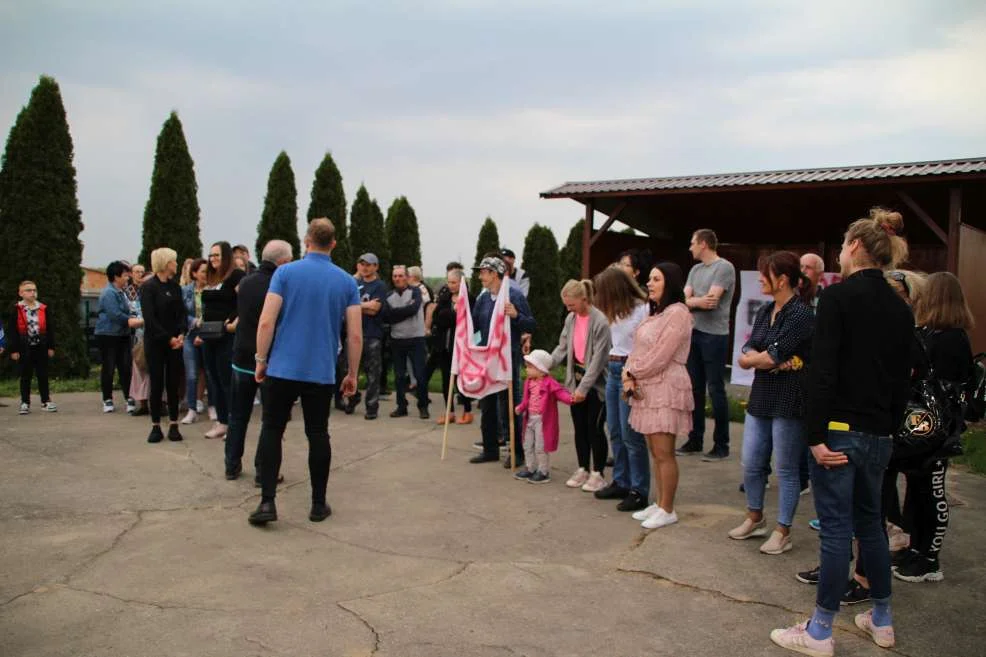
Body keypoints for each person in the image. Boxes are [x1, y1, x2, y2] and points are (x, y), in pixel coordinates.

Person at [770, 208, 911, 656]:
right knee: (870, 526)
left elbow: (822, 373)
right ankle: (882, 621)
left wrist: (814, 436)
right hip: (878, 436)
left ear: (853, 246)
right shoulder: (899, 306)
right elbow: (900, 380)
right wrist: (887, 432)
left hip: (839, 432)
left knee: (835, 531)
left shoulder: (837, 298)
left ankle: (819, 632)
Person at [248, 218, 361, 527]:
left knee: (272, 428)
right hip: (320, 371)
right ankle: (317, 503)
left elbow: (267, 321)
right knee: (317, 432)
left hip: (283, 367)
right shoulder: (346, 282)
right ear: (334, 244)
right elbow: (354, 335)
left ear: (306, 240)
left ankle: (268, 501)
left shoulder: (285, 273)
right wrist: (352, 373)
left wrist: (260, 359)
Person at [728, 252, 815, 555]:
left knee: (787, 468)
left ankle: (783, 530)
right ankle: (755, 517)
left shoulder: (801, 315)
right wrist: (761, 359)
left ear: (783, 280)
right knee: (751, 462)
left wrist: (763, 359)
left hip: (790, 399)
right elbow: (752, 347)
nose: (761, 279)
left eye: (766, 274)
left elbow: (770, 356)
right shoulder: (767, 309)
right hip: (762, 394)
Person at [891, 272, 974, 583]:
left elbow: (947, 388)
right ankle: (914, 547)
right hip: (921, 427)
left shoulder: (953, 339)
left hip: (939, 430)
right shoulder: (930, 333)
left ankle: (930, 558)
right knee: (915, 488)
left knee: (932, 491)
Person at [623, 263, 694, 530]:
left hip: (666, 386)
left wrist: (632, 371)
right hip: (647, 387)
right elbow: (637, 348)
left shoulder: (678, 313)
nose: (649, 283)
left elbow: (661, 356)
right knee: (654, 450)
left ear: (671, 283)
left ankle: (668, 508)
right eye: (650, 278)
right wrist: (629, 374)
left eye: (656, 279)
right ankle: (659, 502)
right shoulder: (655, 313)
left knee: (664, 452)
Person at [223, 240, 294, 481]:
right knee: (270, 420)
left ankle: (231, 465)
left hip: (241, 356)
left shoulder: (246, 282)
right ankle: (264, 471)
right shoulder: (282, 285)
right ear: (283, 262)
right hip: (269, 360)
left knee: (237, 415)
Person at [468, 256, 536, 467]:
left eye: (483, 272)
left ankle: (517, 452)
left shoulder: (513, 295)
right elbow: (475, 325)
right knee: (487, 403)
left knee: (509, 403)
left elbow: (531, 324)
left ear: (494, 274)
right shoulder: (483, 299)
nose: (480, 276)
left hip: (507, 357)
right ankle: (490, 450)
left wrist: (516, 316)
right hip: (487, 358)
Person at [593, 265, 651, 512]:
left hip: (631, 372)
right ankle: (621, 480)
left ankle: (639, 490)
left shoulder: (642, 309)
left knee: (632, 436)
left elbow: (647, 344)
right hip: (614, 369)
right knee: (614, 430)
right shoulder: (613, 311)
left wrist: (634, 374)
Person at [549, 279, 612, 492]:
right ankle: (583, 467)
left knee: (594, 428)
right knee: (579, 428)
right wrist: (544, 364)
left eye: (572, 305)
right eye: (567, 306)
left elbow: (598, 361)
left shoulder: (600, 322)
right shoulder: (570, 319)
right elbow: (563, 347)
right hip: (574, 382)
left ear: (584, 299)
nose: (569, 309)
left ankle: (598, 473)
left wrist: (583, 389)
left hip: (596, 385)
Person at [679, 229, 736, 460]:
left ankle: (721, 445)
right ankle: (695, 439)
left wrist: (692, 301)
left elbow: (712, 302)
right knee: (694, 389)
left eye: (692, 243)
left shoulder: (724, 267)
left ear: (703, 244)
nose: (690, 247)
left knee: (715, 389)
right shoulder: (695, 270)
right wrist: (696, 301)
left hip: (715, 336)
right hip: (695, 333)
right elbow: (683, 300)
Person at [200, 241, 247, 439]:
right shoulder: (211, 277)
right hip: (209, 334)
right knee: (214, 379)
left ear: (226, 256)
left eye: (217, 255)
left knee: (227, 379)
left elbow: (245, 299)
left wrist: (235, 321)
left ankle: (232, 422)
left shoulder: (236, 275)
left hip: (226, 335)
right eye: (211, 256)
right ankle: (221, 422)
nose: (213, 259)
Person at [140, 248, 186, 444]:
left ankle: (174, 424)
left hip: (176, 343)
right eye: (174, 261)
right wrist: (168, 338)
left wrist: (182, 334)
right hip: (156, 342)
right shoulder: (148, 287)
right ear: (166, 263)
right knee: (157, 383)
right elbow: (149, 319)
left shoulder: (176, 287)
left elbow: (182, 313)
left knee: (173, 382)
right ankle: (156, 425)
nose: (176, 264)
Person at [514, 349, 574, 484]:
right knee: (527, 444)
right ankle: (530, 468)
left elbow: (560, 393)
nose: (527, 369)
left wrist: (572, 399)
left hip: (543, 420)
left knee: (541, 447)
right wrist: (521, 407)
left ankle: (543, 471)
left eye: (530, 367)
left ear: (541, 370)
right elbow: (526, 400)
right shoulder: (529, 382)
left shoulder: (549, 383)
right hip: (529, 419)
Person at [345, 253, 388, 420]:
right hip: (353, 332)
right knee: (349, 370)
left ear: (376, 267)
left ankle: (371, 406)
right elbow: (345, 304)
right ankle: (352, 397)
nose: (365, 267)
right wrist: (364, 305)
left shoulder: (380, 286)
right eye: (362, 264)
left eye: (369, 264)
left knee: (373, 373)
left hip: (372, 335)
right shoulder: (354, 283)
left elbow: (375, 309)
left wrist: (355, 306)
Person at [384, 265, 430, 419]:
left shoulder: (415, 292)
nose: (397, 278)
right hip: (397, 340)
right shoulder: (389, 295)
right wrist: (403, 311)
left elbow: (414, 309)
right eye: (395, 276)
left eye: (400, 275)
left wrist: (395, 314)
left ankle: (423, 406)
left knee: (420, 375)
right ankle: (401, 406)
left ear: (407, 277)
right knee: (399, 376)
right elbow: (386, 316)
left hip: (416, 339)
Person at [95, 261, 142, 413]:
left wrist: (133, 317)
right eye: (125, 275)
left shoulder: (121, 291)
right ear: (116, 277)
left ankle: (129, 397)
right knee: (109, 367)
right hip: (108, 335)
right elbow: (114, 314)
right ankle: (107, 399)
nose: (128, 278)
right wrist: (130, 321)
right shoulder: (109, 293)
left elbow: (128, 310)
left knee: (125, 366)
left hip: (122, 334)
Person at [430, 267, 474, 425]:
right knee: (446, 379)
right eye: (449, 282)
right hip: (444, 345)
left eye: (454, 282)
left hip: (462, 347)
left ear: (462, 282)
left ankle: (468, 411)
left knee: (462, 380)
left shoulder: (469, 299)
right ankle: (450, 412)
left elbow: (471, 322)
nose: (450, 285)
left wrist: (451, 317)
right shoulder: (444, 298)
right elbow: (438, 317)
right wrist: (452, 315)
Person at [8, 281, 57, 414]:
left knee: (43, 375)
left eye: (34, 290)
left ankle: (46, 401)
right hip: (24, 347)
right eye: (28, 290)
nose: (32, 293)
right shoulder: (16, 308)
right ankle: (25, 402)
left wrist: (51, 346)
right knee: (25, 376)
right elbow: (12, 330)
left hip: (41, 346)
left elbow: (50, 328)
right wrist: (13, 349)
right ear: (21, 293)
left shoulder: (43, 308)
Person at [180, 258, 209, 424]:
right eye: (203, 271)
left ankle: (212, 406)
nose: (206, 275)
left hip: (208, 335)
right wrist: (193, 321)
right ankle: (191, 410)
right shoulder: (185, 291)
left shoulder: (213, 290)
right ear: (195, 273)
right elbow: (180, 313)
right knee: (191, 374)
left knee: (210, 373)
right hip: (191, 335)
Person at [128, 267, 150, 416]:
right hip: (140, 340)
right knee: (139, 372)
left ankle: (159, 403)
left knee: (155, 374)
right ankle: (142, 403)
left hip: (156, 340)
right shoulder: (137, 301)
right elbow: (131, 320)